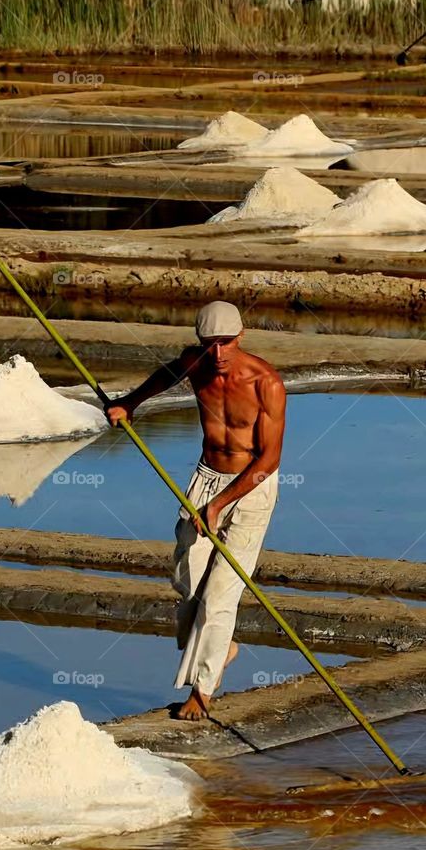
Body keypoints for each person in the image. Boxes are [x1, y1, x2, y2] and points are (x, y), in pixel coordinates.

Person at [105, 301, 286, 722]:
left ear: (240, 337)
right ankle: (224, 648)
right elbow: (167, 374)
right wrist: (131, 403)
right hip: (206, 480)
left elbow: (269, 460)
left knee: (221, 596)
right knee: (187, 580)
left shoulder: (266, 383)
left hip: (251, 488)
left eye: (225, 343)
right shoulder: (196, 363)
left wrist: (219, 506)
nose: (218, 353)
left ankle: (202, 692)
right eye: (209, 345)